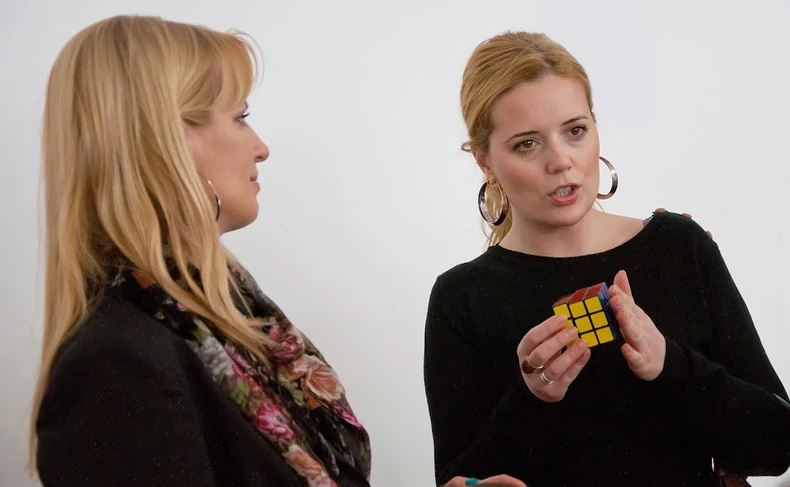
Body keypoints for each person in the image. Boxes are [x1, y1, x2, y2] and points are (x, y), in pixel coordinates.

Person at [423, 31, 790, 487]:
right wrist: (532, 398)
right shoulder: (462, 298)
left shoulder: (679, 248)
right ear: (485, 161)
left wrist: (669, 363)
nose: (561, 161)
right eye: (527, 144)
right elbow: (458, 479)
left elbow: (777, 444)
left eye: (575, 131)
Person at [30, 15, 373, 487]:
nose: (261, 148)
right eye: (240, 117)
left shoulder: (226, 325)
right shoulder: (116, 364)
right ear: (166, 139)